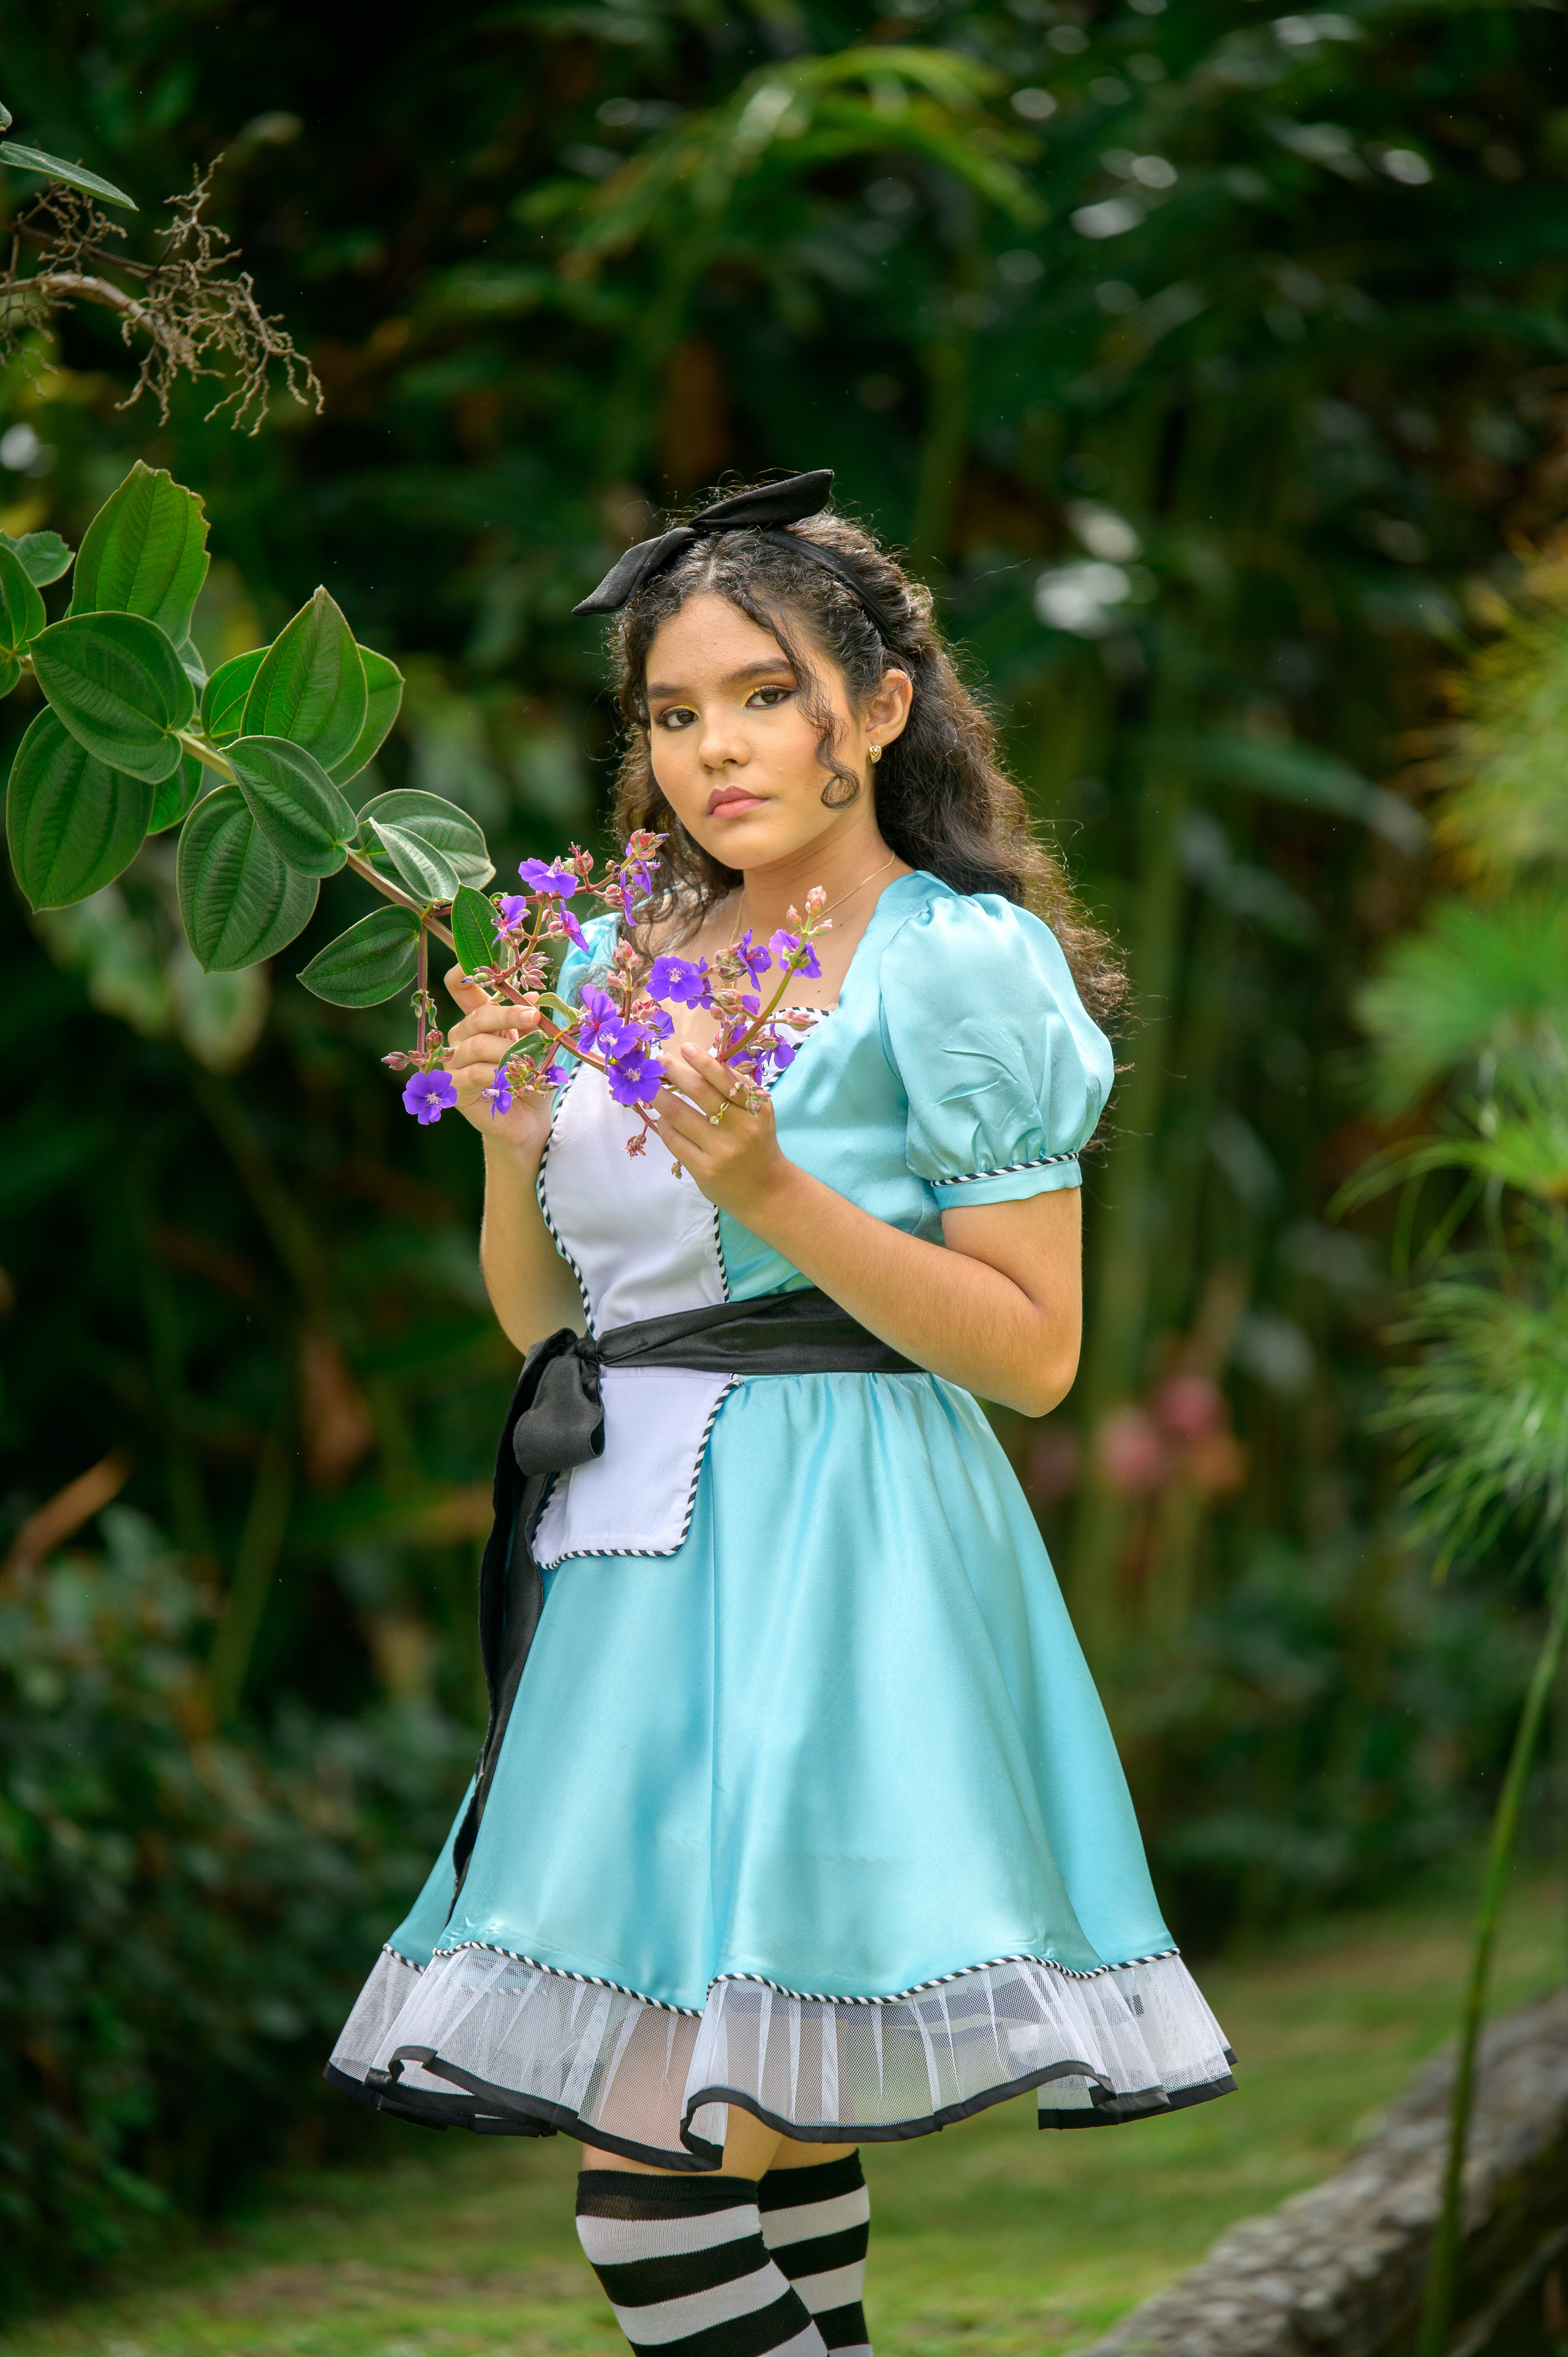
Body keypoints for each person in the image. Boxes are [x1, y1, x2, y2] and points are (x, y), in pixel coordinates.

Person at [328, 473, 1234, 2357]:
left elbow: (1036, 1351)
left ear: (880, 710)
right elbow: (562, 1329)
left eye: (760, 694)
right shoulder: (617, 958)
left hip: (844, 1561)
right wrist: (511, 1153)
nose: (711, 749)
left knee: (653, 2186)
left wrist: (777, 1190)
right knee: (762, 2124)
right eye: (672, 712)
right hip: (634, 1567)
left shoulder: (956, 967)